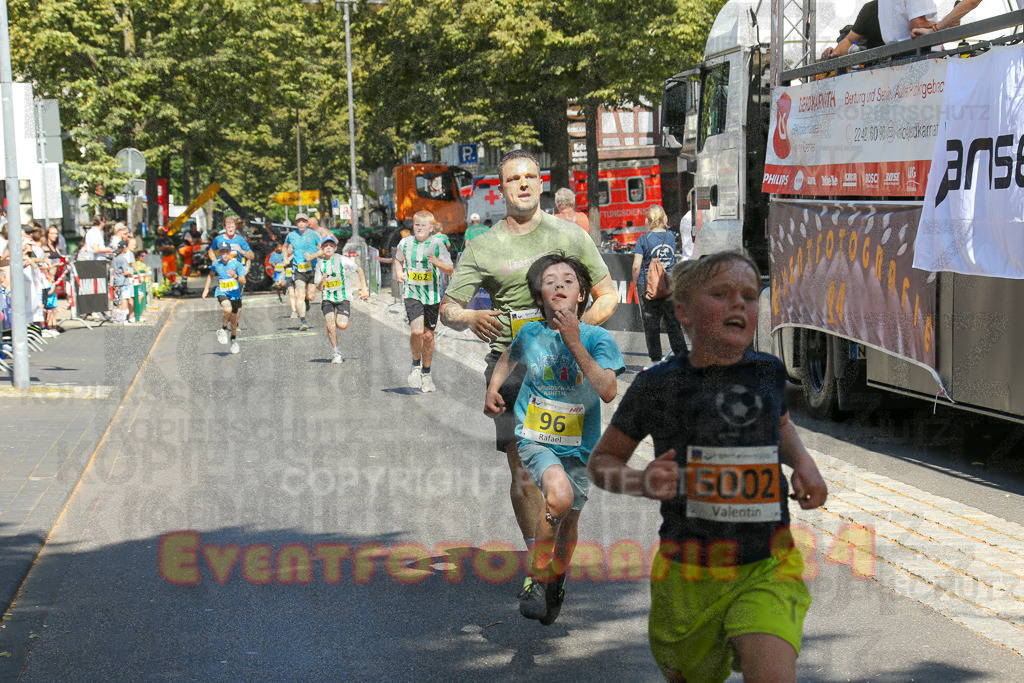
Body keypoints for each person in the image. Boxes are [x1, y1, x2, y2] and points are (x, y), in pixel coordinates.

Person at [588, 251, 829, 683]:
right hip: (688, 573)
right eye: (720, 294)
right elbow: (602, 462)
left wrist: (804, 463)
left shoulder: (769, 373)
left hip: (767, 565)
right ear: (683, 311)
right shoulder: (657, 385)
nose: (739, 304)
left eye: (750, 296)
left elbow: (780, 424)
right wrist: (641, 481)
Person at [441, 148, 619, 565]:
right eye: (512, 179)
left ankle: (557, 545)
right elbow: (448, 308)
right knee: (522, 470)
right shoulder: (484, 246)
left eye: (529, 177)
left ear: (540, 183)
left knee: (568, 470)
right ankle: (538, 560)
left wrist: (573, 335)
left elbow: (608, 295)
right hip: (512, 367)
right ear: (501, 188)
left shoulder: (569, 235)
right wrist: (468, 315)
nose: (522, 184)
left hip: (566, 371)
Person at [485, 252, 624, 625]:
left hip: (580, 447)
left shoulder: (597, 338)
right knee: (558, 497)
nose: (559, 285)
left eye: (568, 280)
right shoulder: (529, 332)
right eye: (550, 281)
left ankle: (556, 579)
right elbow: (507, 358)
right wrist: (493, 390)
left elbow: (608, 390)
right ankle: (537, 578)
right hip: (535, 438)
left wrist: (574, 341)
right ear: (539, 295)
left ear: (581, 295)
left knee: (570, 521)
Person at [394, 210, 454, 393]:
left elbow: (450, 269)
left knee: (428, 336)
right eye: (417, 225)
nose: (420, 229)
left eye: (423, 226)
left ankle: (426, 374)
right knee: (417, 331)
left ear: (431, 228)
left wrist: (438, 262)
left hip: (433, 296)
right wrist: (399, 272)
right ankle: (415, 367)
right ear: (413, 227)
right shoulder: (405, 243)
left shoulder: (438, 244)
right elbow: (398, 260)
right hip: (412, 293)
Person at [632, 205, 687, 364]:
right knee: (672, 322)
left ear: (648, 220)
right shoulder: (670, 237)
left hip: (647, 284)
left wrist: (635, 283)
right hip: (668, 283)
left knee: (651, 324)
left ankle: (656, 360)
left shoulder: (643, 239)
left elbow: (637, 265)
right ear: (664, 219)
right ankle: (681, 357)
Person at [314, 234, 369, 364]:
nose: (328, 248)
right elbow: (318, 288)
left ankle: (339, 322)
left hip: (342, 297)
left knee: (342, 325)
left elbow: (359, 270)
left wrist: (364, 288)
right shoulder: (320, 265)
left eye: (331, 246)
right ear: (322, 248)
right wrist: (321, 281)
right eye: (325, 246)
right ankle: (336, 353)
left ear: (335, 248)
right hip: (327, 298)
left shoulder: (342, 260)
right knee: (330, 326)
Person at [202, 246, 246, 354]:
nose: (225, 255)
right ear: (219, 254)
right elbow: (210, 275)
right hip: (222, 292)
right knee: (227, 309)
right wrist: (206, 289)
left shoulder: (236, 264)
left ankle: (233, 339)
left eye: (227, 252)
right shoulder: (216, 264)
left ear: (230, 253)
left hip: (235, 295)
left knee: (234, 320)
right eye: (223, 252)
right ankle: (223, 329)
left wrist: (235, 276)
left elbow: (243, 281)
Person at [285, 213, 321, 330]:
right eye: (299, 222)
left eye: (303, 221)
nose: (301, 224)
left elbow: (322, 249)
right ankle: (303, 321)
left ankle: (306, 300)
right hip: (298, 269)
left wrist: (313, 256)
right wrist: (285, 258)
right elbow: (284, 247)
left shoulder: (314, 235)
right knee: (299, 295)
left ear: (307, 223)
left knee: (310, 297)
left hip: (312, 269)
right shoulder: (291, 236)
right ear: (296, 224)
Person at [109, 241, 134, 324]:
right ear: (125, 248)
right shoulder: (122, 259)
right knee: (124, 300)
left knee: (118, 300)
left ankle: (118, 318)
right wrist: (131, 273)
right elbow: (126, 271)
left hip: (116, 281)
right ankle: (122, 319)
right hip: (123, 281)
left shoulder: (115, 258)